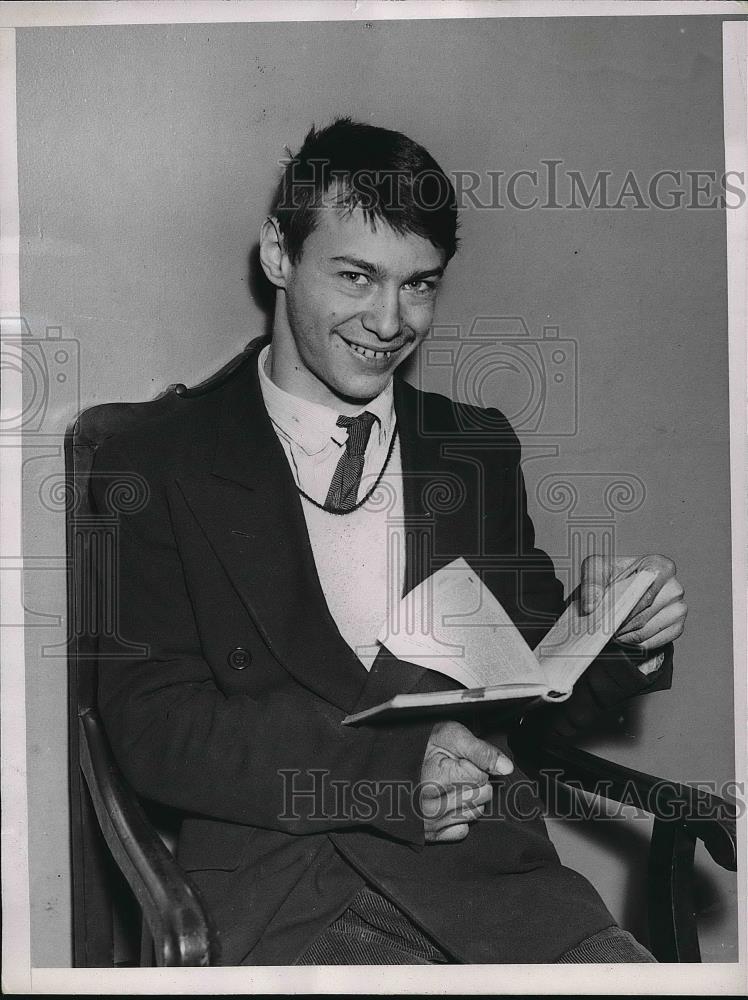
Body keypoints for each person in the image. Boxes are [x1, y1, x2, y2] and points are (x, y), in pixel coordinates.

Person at [92, 118, 687, 965]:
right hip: (289, 891)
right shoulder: (153, 457)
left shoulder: (472, 447)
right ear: (277, 255)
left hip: (501, 892)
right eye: (356, 276)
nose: (389, 319)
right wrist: (383, 774)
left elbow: (533, 684)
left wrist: (617, 634)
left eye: (420, 285)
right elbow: (156, 730)